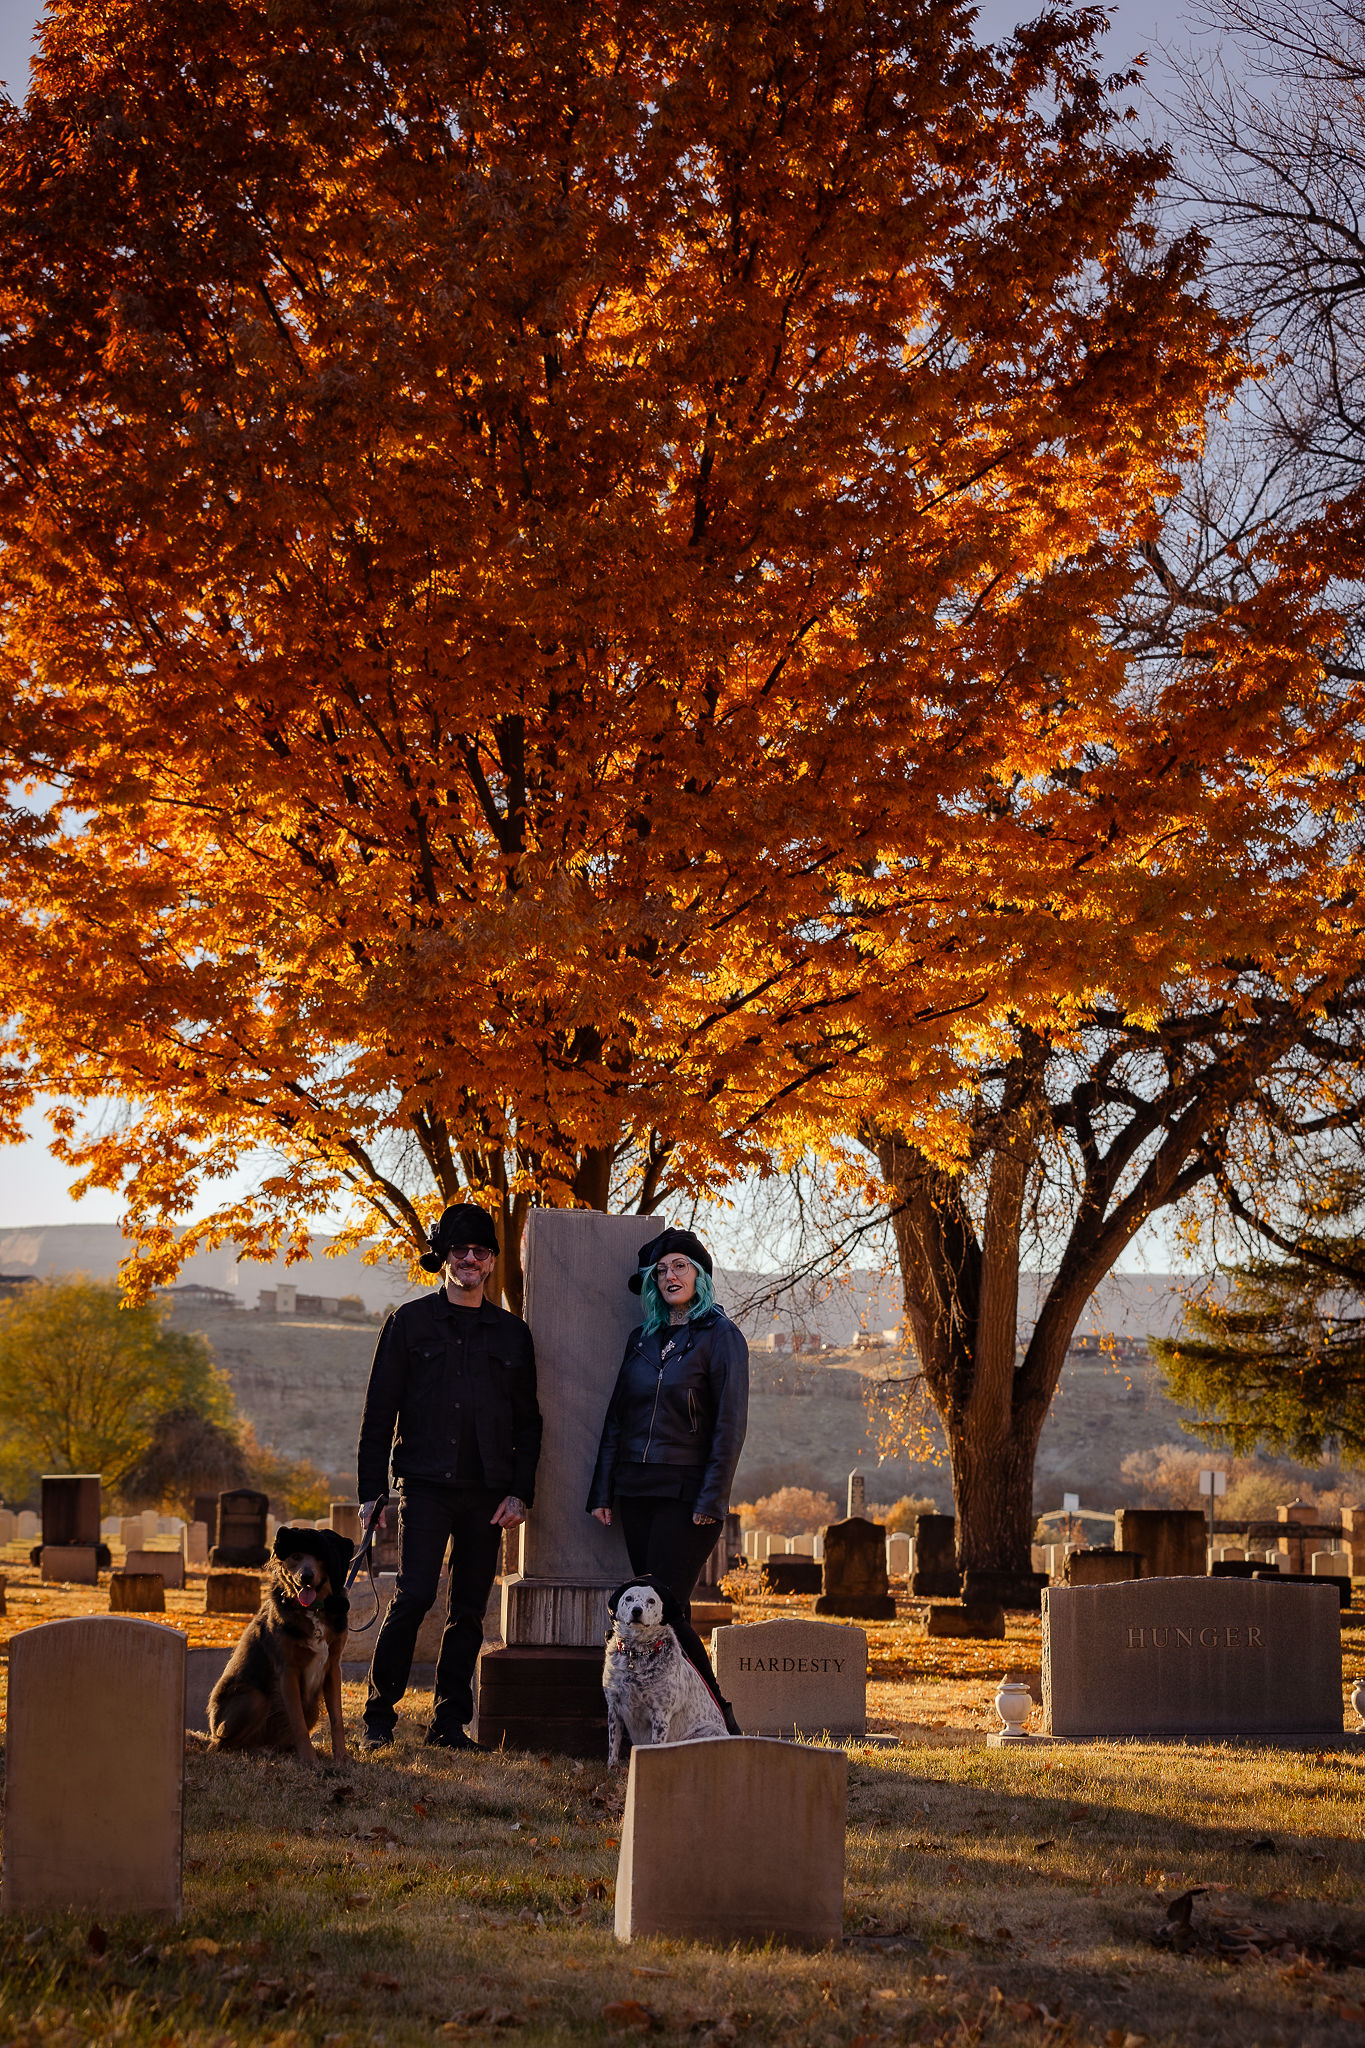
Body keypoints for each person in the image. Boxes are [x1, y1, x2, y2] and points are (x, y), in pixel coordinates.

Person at [356, 1202, 542, 1751]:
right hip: (426, 1486)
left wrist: (520, 1491)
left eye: (480, 1251)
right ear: (443, 1257)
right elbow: (378, 1412)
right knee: (413, 1596)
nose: (469, 1259)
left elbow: (530, 1422)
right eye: (458, 1250)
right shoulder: (408, 1322)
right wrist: (372, 1491)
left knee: (468, 1609)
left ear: (490, 1263)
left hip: (488, 1493)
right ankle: (378, 1716)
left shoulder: (512, 1335)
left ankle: (448, 1723)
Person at [587, 1226, 748, 1733]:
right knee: (658, 1620)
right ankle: (680, 1727)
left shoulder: (722, 1337)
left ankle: (720, 1724)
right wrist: (603, 1489)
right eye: (661, 1270)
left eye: (680, 1265)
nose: (670, 1276)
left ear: (700, 1275)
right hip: (635, 1492)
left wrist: (712, 1497)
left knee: (669, 1613)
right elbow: (617, 1418)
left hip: (687, 1495)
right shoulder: (642, 1340)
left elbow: (729, 1427)